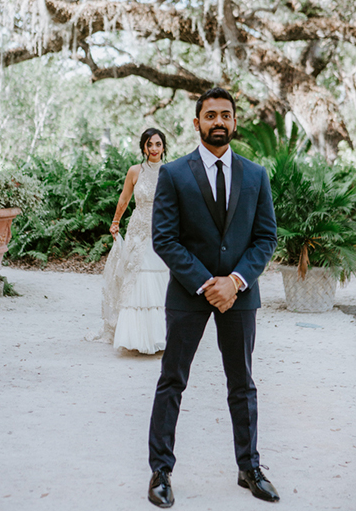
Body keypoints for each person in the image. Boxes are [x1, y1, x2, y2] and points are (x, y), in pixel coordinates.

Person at [147, 88, 279, 507]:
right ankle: (161, 471)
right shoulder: (173, 173)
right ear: (196, 122)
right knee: (172, 380)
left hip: (240, 295)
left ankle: (249, 467)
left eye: (225, 115)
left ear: (235, 122)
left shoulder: (256, 175)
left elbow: (265, 238)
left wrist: (236, 280)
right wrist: (208, 283)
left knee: (242, 384)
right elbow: (164, 239)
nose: (218, 121)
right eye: (210, 115)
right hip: (189, 293)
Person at [101, 128, 169, 354]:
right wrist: (115, 221)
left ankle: (160, 336)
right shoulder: (135, 171)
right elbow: (124, 198)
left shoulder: (170, 171)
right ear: (144, 147)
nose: (154, 149)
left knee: (158, 281)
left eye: (158, 144)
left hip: (160, 231)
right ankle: (135, 337)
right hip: (138, 230)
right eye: (150, 144)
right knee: (137, 279)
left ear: (163, 147)